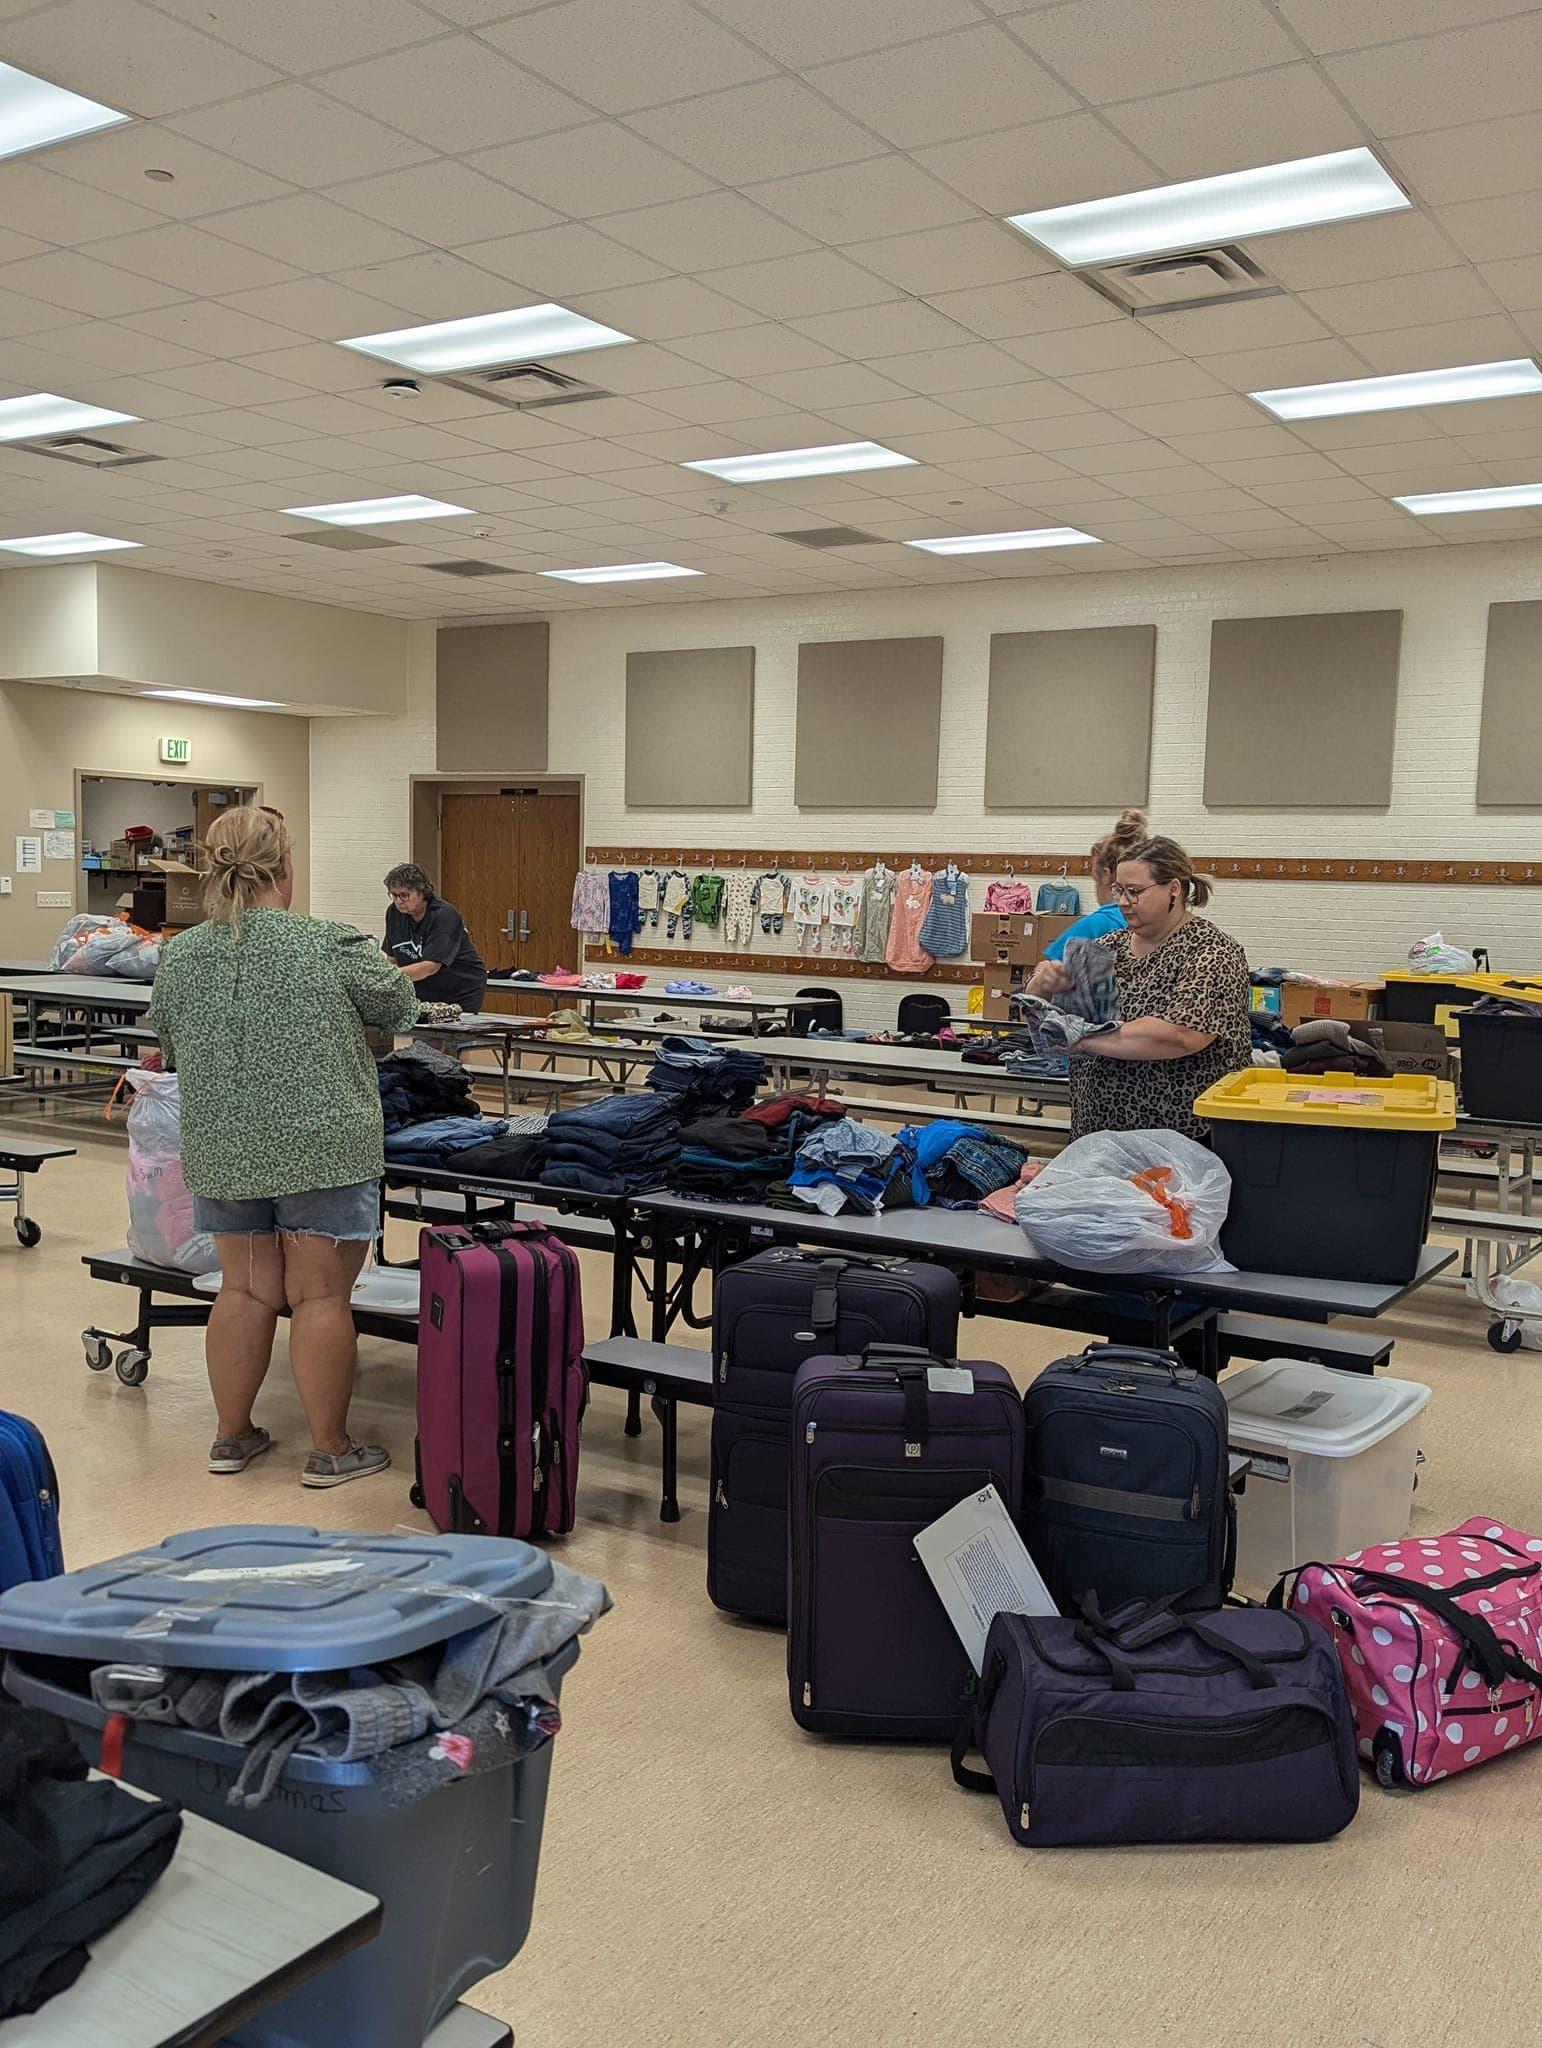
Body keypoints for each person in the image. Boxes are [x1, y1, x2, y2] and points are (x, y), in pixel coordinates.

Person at [148, 807, 419, 1487]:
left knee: (243, 1289)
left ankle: (232, 1436)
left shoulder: (180, 954)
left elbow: (170, 1048)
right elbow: (399, 1009)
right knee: (319, 1296)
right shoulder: (330, 942)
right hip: (321, 1144)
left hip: (223, 1144)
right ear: (285, 867)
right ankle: (331, 1449)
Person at [1026, 835, 1251, 1142]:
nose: (1122, 902)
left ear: (1173, 889)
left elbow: (1181, 1035)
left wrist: (1084, 1039)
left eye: (1134, 891)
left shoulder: (1213, 952)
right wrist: (1041, 987)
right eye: (1118, 890)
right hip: (1097, 1132)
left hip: (1180, 1141)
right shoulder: (1105, 949)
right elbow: (1048, 1023)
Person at [1040, 808, 1149, 961]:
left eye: (1095, 879)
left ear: (1106, 875)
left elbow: (1048, 968)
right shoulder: (1155, 920)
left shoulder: (1098, 925)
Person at [382, 862, 487, 1013]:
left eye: (404, 895)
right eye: (394, 895)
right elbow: (392, 958)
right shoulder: (394, 913)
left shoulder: (444, 915)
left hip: (459, 989)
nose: (398, 901)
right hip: (423, 988)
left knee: (450, 1026)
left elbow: (430, 966)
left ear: (421, 891)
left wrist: (387, 977)